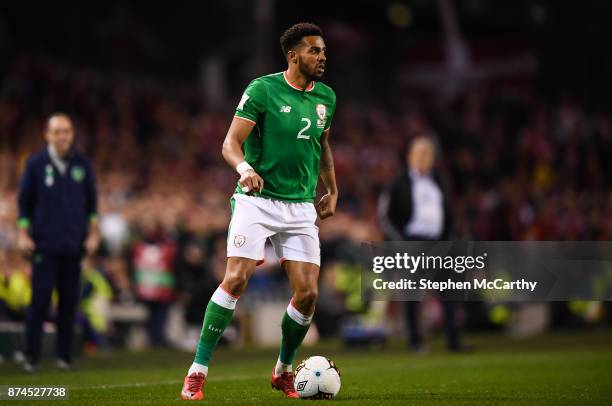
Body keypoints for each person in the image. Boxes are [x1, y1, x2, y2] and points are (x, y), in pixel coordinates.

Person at [180, 22, 337, 400]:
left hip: (300, 205)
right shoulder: (262, 89)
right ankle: (197, 372)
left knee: (308, 295)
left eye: (324, 52)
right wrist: (245, 169)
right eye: (314, 51)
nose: (322, 58)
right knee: (235, 279)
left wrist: (331, 188)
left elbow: (323, 145)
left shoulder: (327, 97)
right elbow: (230, 143)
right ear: (293, 55)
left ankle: (283, 370)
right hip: (258, 199)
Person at [17, 113, 99, 371]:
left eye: (67, 131)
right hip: (44, 245)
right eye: (57, 131)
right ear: (47, 134)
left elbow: (92, 206)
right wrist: (22, 233)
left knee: (68, 303)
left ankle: (64, 356)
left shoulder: (82, 165)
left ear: (72, 134)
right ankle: (31, 354)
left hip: (73, 246)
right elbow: (24, 204)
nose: (63, 136)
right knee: (39, 301)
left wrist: (94, 233)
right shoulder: (35, 164)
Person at [378, 136, 466, 352]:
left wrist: (451, 238)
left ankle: (453, 342)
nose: (423, 158)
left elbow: (449, 212)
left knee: (448, 291)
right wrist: (400, 242)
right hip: (412, 242)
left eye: (427, 154)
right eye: (419, 153)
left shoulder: (439, 180)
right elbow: (386, 217)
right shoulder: (399, 182)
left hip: (438, 243)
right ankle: (415, 342)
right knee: (412, 294)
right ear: (409, 157)